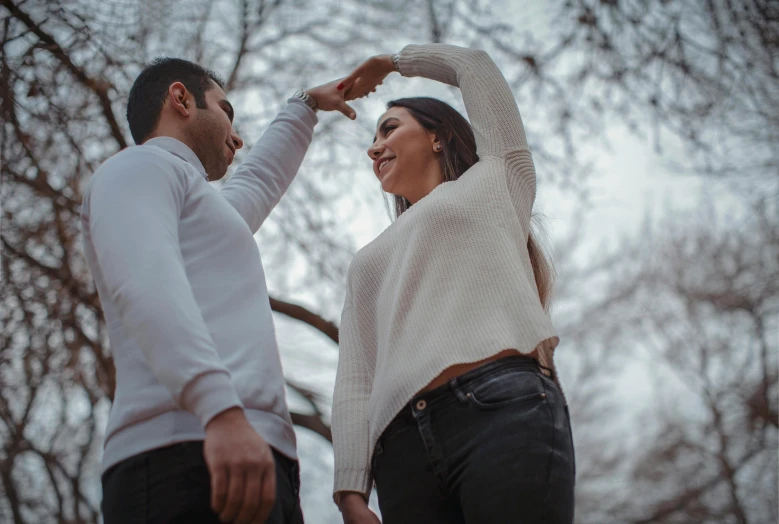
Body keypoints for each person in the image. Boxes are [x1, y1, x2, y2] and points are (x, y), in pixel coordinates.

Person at [80, 57, 355, 524]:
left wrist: (306, 104)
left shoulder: (208, 209)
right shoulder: (137, 168)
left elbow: (259, 178)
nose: (238, 135)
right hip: (184, 455)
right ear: (181, 98)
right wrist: (220, 410)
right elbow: (144, 283)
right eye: (227, 110)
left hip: (254, 455)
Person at [331, 44, 576, 523]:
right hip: (400, 453)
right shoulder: (367, 260)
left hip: (503, 411)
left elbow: (475, 67)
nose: (373, 146)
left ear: (438, 136)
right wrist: (350, 490)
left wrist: (393, 63)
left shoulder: (495, 180)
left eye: (389, 128)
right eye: (373, 137)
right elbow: (356, 376)